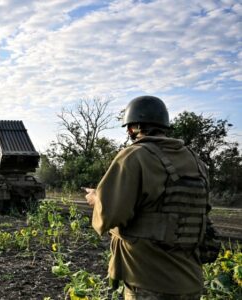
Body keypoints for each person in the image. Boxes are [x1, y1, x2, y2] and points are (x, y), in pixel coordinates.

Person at [84, 96, 208, 299]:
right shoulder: (196, 161)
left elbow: (109, 216)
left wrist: (96, 199)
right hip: (190, 281)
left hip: (148, 280)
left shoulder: (134, 156)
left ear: (132, 128)